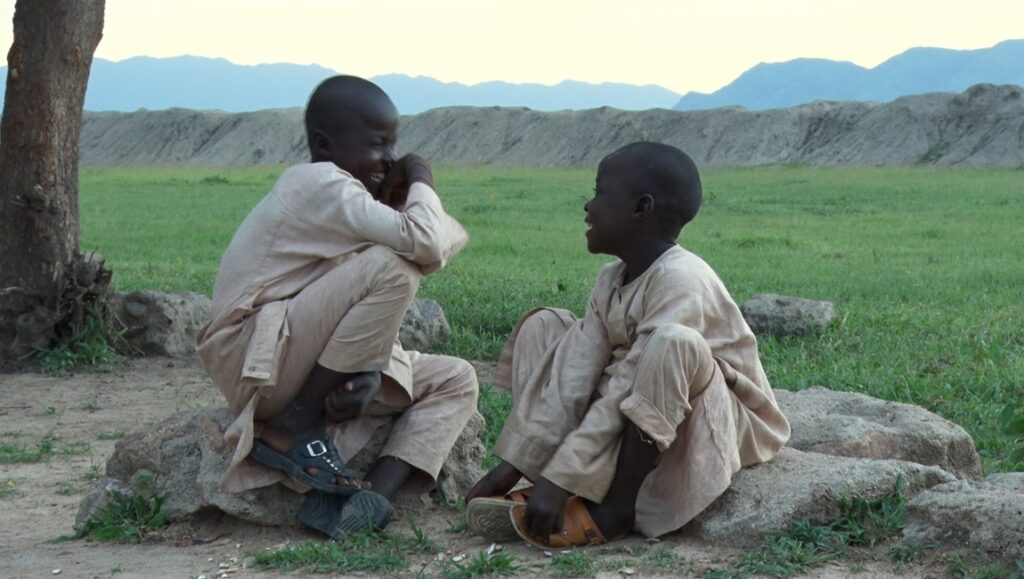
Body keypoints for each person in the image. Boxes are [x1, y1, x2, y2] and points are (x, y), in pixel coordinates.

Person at [466, 142, 790, 548]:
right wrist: (516, 465)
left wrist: (561, 474)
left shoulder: (682, 279)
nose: (588, 206)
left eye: (599, 192)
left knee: (672, 342)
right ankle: (569, 485)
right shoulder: (610, 277)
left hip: (706, 420)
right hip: (637, 410)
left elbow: (629, 381)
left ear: (640, 209)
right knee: (547, 326)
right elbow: (575, 373)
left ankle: (618, 506)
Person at [197, 75, 477, 538]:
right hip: (252, 357)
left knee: (455, 378)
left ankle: (368, 499)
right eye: (377, 145)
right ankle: (295, 425)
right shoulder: (319, 183)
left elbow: (450, 239)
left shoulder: (351, 199)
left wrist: (370, 370)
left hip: (295, 356)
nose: (389, 160)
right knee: (395, 266)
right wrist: (420, 174)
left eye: (395, 146)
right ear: (325, 145)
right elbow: (426, 244)